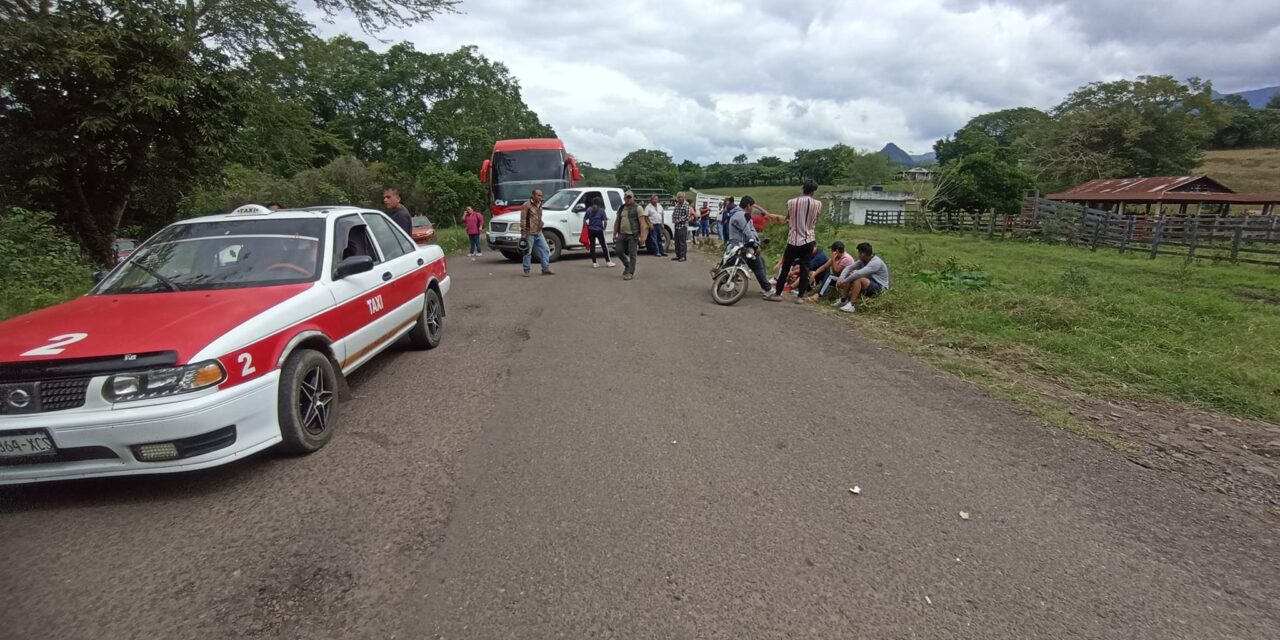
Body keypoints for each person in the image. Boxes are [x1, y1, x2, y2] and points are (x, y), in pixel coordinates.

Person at [766, 180, 822, 304]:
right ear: (813, 191)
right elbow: (814, 220)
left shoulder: (792, 202)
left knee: (785, 267)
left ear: (803, 188)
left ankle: (777, 294)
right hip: (809, 240)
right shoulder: (818, 204)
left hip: (793, 240)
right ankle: (800, 297)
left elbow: (787, 218)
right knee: (804, 269)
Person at [725, 196, 773, 297]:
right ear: (748, 205)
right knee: (758, 264)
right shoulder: (742, 216)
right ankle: (767, 289)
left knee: (761, 261)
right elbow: (747, 232)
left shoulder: (739, 214)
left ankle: (766, 286)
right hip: (741, 246)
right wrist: (756, 245)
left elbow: (752, 231)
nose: (752, 209)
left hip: (739, 244)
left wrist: (757, 242)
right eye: (752, 206)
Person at [836, 242, 891, 313]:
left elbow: (858, 274)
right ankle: (843, 300)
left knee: (858, 279)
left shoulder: (875, 262)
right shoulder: (863, 261)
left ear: (863, 254)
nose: (858, 254)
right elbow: (848, 268)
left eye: (858, 252)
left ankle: (852, 305)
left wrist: (844, 281)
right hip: (870, 283)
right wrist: (841, 278)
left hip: (880, 287)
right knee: (851, 276)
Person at [613, 191, 650, 280]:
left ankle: (630, 272)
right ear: (624, 198)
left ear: (633, 198)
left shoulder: (638, 208)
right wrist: (614, 233)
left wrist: (642, 236)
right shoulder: (621, 208)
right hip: (622, 234)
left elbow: (642, 223)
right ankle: (627, 265)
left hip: (632, 234)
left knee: (632, 254)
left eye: (630, 197)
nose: (628, 199)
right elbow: (617, 221)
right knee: (618, 251)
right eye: (627, 198)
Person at [520, 189, 554, 277]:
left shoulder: (540, 204)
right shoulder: (526, 205)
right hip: (529, 232)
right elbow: (523, 220)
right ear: (533, 195)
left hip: (539, 232)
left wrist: (541, 223)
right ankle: (526, 270)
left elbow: (539, 216)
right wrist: (523, 233)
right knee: (528, 252)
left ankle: (545, 269)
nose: (540, 197)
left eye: (541, 195)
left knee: (545, 249)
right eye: (538, 195)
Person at [584, 196, 615, 268]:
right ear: (599, 203)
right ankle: (608, 261)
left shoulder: (589, 209)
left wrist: (586, 226)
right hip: (599, 230)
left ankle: (594, 263)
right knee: (604, 246)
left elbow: (584, 219)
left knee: (592, 246)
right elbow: (605, 221)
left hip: (591, 230)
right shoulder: (601, 210)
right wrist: (604, 228)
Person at [670, 192, 692, 261]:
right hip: (676, 226)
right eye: (679, 197)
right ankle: (678, 255)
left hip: (682, 226)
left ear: (684, 197)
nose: (680, 198)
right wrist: (673, 219)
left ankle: (683, 256)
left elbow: (687, 216)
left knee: (682, 242)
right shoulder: (677, 205)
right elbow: (674, 213)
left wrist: (679, 220)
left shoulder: (686, 205)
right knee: (676, 241)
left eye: (681, 197)